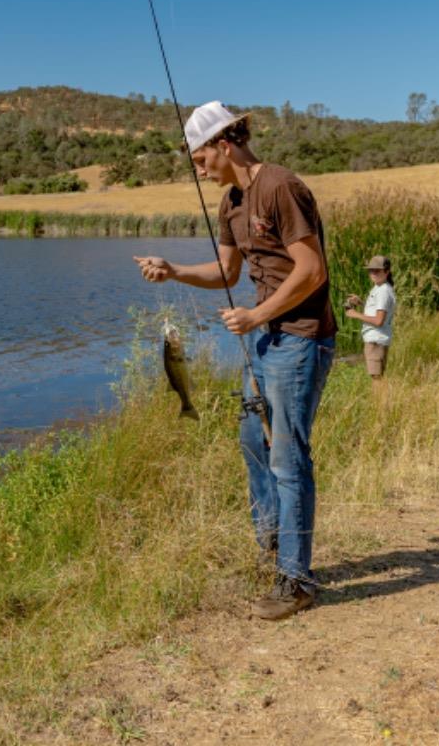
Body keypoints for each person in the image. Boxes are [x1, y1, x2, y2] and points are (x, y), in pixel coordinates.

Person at [133, 101, 336, 621]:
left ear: (224, 144)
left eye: (199, 156)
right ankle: (273, 550)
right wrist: (173, 270)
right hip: (265, 339)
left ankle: (296, 581)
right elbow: (226, 271)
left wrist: (256, 314)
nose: (197, 167)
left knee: (288, 459)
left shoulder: (280, 187)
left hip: (299, 339)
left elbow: (311, 271)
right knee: (253, 443)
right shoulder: (231, 202)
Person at [344, 256, 396, 386]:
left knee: (376, 379)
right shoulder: (380, 288)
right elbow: (377, 311)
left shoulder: (383, 291)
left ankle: (379, 405)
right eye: (371, 270)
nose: (373, 273)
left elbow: (379, 320)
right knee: (377, 377)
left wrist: (355, 314)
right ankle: (381, 404)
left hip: (375, 340)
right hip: (377, 339)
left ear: (386, 271)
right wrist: (361, 303)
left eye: (377, 270)